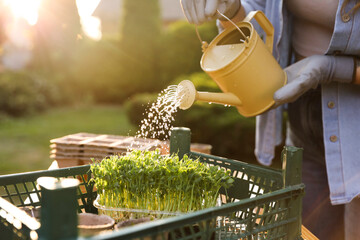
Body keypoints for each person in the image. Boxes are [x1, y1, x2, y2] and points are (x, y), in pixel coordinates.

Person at [180, 0, 360, 239]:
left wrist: (335, 68)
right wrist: (232, 12)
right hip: (302, 107)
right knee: (304, 231)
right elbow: (260, 8)